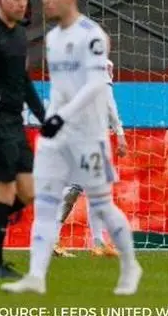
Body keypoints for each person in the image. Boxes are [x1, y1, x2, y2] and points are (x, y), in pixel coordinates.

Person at [1, 0, 141, 295]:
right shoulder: (53, 39)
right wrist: (50, 118)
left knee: (102, 204)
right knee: (47, 200)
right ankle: (36, 274)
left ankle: (130, 265)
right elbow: (61, 90)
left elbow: (97, 88)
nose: (45, 0)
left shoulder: (93, 37)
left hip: (88, 136)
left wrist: (113, 131)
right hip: (58, 134)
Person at [0, 0, 46, 278]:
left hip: (15, 123)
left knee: (30, 191)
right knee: (4, 195)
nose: (22, 4)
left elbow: (22, 80)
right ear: (0, 0)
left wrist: (43, 116)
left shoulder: (20, 35)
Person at [53, 58, 127, 258]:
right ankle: (53, 238)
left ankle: (98, 242)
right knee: (79, 186)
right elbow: (108, 102)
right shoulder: (102, 63)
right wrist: (119, 133)